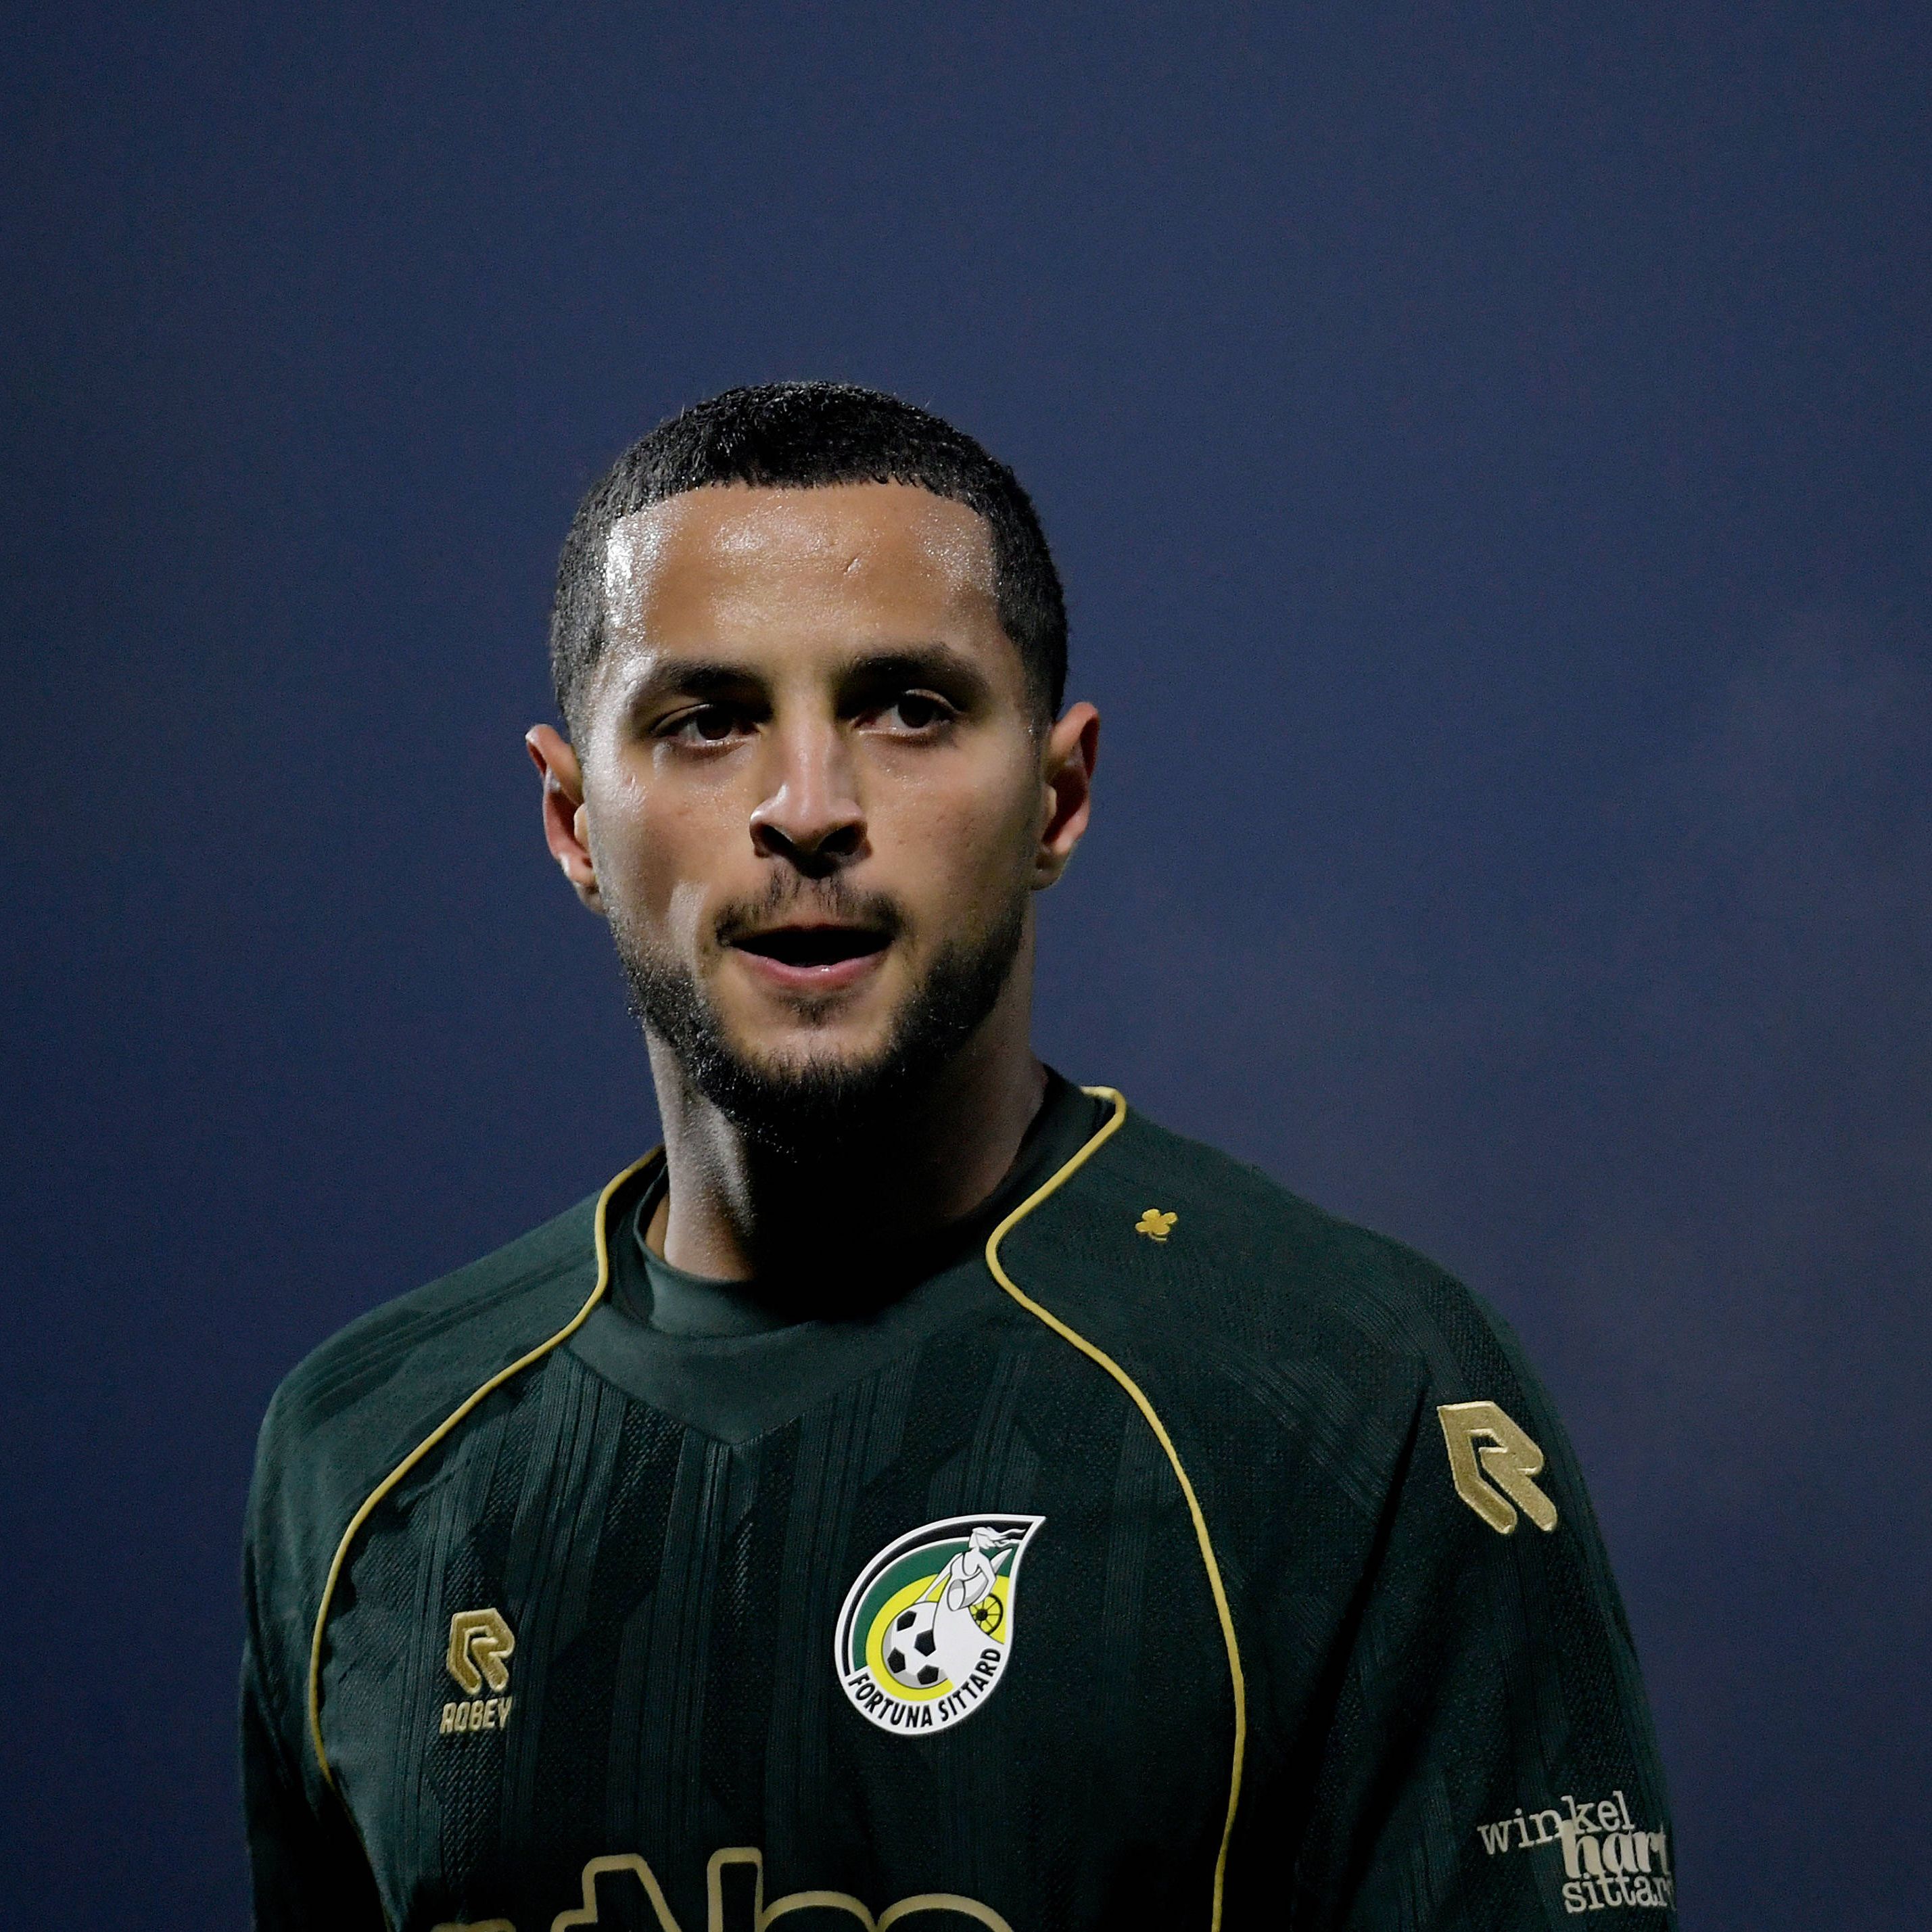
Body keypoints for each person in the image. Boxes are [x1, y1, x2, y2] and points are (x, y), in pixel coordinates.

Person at [241, 382, 1676, 1931]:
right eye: (707, 720)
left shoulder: (1354, 1396)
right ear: (574, 819)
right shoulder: (364, 1453)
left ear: (1057, 795)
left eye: (908, 709)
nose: (808, 809)